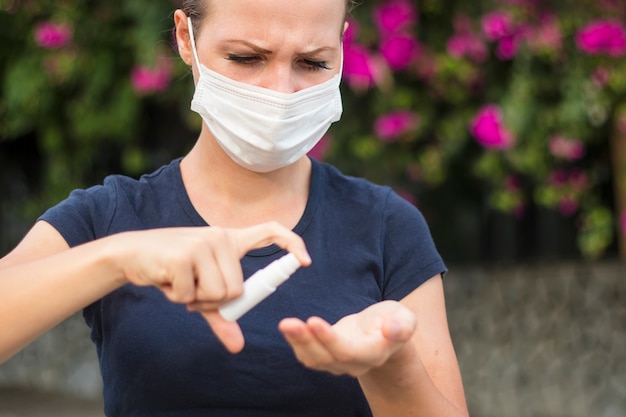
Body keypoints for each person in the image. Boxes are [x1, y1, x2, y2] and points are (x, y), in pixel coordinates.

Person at [0, 0, 469, 416]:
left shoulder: (388, 227)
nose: (280, 93)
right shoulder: (108, 216)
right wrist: (120, 257)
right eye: (247, 58)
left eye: (313, 62)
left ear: (342, 46)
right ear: (186, 38)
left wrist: (391, 362)